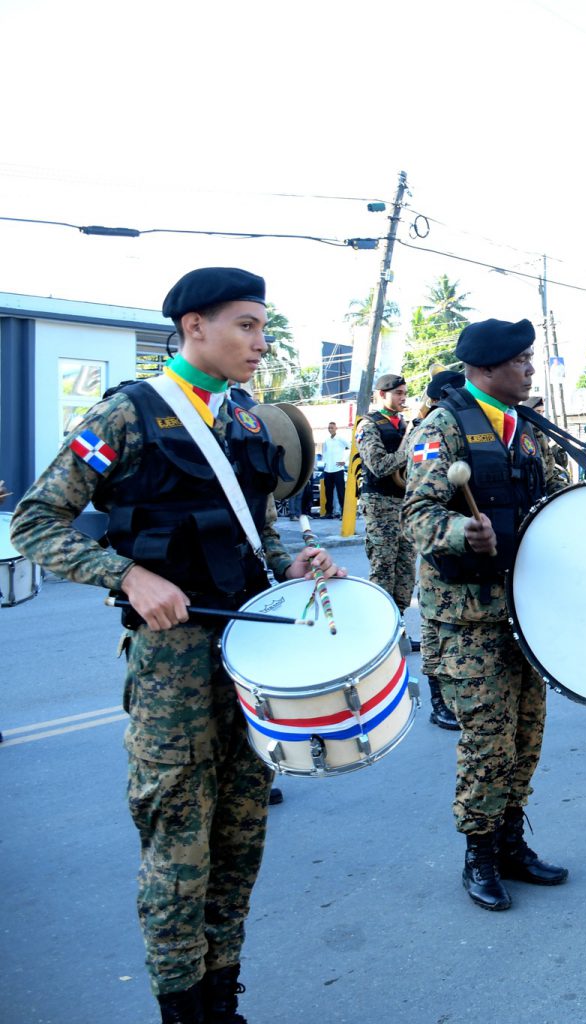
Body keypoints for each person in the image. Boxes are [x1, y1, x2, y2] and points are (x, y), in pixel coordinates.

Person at [10, 267, 346, 1023]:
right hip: (172, 671)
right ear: (195, 327)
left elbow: (253, 532)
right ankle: (181, 1009)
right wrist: (127, 575)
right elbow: (34, 521)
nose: (261, 343)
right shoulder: (126, 416)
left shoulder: (247, 421)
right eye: (246, 326)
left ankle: (223, 998)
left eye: (263, 327)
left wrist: (290, 564)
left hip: (253, 662)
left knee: (240, 842)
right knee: (178, 852)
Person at [403, 319, 570, 911]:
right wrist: (459, 532)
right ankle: (479, 852)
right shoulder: (441, 427)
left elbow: (552, 499)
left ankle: (509, 842)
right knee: (487, 741)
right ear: (486, 368)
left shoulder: (524, 429)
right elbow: (416, 515)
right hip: (467, 617)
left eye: (529, 358)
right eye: (521, 360)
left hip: (523, 609)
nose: (529, 369)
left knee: (526, 732)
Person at [411, 369, 466, 732]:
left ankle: (450, 699)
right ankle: (438, 703)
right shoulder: (431, 428)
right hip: (438, 553)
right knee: (434, 631)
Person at [355, 373, 417, 616]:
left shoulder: (404, 425)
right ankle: (380, 621)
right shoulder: (368, 425)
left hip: (405, 502)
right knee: (383, 566)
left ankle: (399, 622)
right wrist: (409, 450)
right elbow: (378, 465)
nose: (403, 398)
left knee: (406, 569)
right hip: (380, 503)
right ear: (382, 394)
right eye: (398, 393)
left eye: (405, 393)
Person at [320, 421, 349, 519]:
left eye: (332, 427)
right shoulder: (327, 440)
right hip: (328, 470)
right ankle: (329, 513)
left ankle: (344, 513)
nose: (330, 429)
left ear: (336, 428)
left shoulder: (340, 439)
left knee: (341, 492)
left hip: (338, 469)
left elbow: (351, 448)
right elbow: (324, 452)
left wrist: (344, 461)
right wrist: (325, 462)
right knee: (328, 493)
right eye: (329, 428)